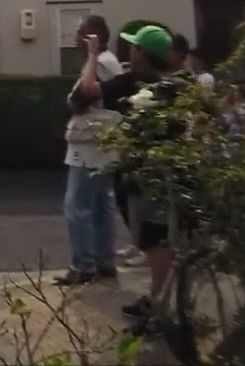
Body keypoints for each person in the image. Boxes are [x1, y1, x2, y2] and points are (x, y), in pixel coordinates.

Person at [70, 24, 177, 323]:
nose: (129, 49)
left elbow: (86, 91)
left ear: (140, 52)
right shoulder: (176, 84)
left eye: (134, 46)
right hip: (168, 169)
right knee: (158, 239)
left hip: (144, 173)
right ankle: (158, 297)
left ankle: (160, 310)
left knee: (155, 241)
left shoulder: (133, 82)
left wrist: (92, 55)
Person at [56, 14, 124, 285]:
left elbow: (81, 97)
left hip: (91, 146)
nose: (75, 37)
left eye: (80, 32)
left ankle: (83, 265)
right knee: (100, 204)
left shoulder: (102, 62)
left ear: (93, 35)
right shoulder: (107, 62)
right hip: (102, 143)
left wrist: (75, 100)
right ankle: (104, 260)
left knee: (78, 206)